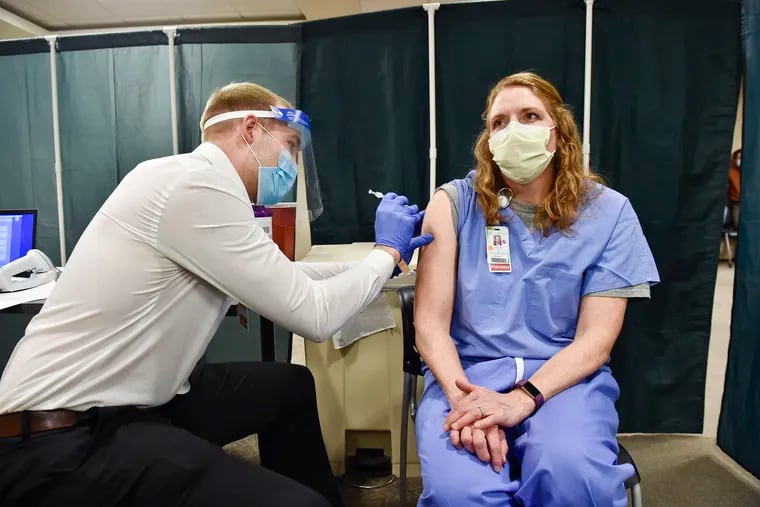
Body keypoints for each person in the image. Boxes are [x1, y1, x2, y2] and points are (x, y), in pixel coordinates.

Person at [0, 82, 432, 507]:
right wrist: (386, 250)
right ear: (250, 129)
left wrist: (382, 265)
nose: (293, 165)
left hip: (136, 404)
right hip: (56, 442)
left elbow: (288, 277)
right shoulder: (192, 185)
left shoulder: (200, 188)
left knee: (289, 386)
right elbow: (314, 316)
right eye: (290, 147)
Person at [413, 72, 659, 506]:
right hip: (467, 376)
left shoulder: (609, 213)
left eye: (530, 116)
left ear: (559, 133)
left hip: (564, 379)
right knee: (460, 494)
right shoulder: (453, 203)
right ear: (487, 141)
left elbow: (596, 341)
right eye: (499, 123)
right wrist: (463, 402)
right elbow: (430, 325)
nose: (514, 131)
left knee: (571, 474)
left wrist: (522, 400)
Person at [727, 148, 741, 229]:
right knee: (737, 223)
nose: (740, 160)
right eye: (738, 157)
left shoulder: (752, 171)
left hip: (751, 202)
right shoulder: (730, 172)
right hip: (735, 202)